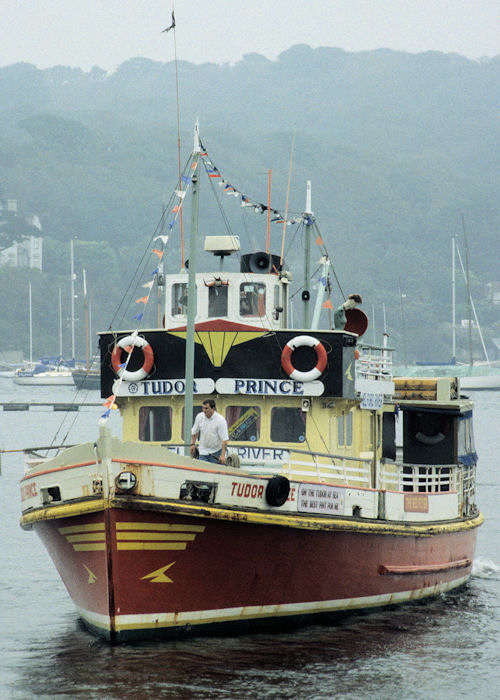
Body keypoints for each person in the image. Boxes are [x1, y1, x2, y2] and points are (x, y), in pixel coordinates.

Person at [190, 399, 229, 464]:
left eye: (206, 408)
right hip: (202, 451)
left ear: (213, 408)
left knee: (215, 472)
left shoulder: (220, 420)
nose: (204, 410)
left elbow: (225, 439)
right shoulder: (199, 417)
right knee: (202, 472)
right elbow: (195, 432)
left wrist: (222, 455)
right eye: (203, 408)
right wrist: (192, 444)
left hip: (216, 452)